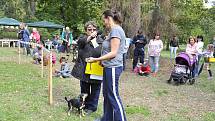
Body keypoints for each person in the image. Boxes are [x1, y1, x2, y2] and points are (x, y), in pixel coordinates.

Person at [86, 10, 127, 121]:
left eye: (104, 20)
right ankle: (107, 118)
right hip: (108, 67)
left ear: (109, 18)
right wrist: (102, 61)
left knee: (113, 95)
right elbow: (108, 50)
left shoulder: (116, 31)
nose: (104, 23)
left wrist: (96, 59)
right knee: (107, 95)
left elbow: (113, 53)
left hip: (113, 67)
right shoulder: (113, 31)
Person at [71, 21, 103, 115]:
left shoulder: (102, 41)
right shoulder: (82, 39)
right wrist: (90, 37)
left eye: (94, 29)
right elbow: (80, 42)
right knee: (84, 89)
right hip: (84, 69)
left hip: (96, 69)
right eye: (89, 29)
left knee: (95, 89)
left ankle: (92, 107)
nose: (92, 31)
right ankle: (83, 105)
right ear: (86, 31)